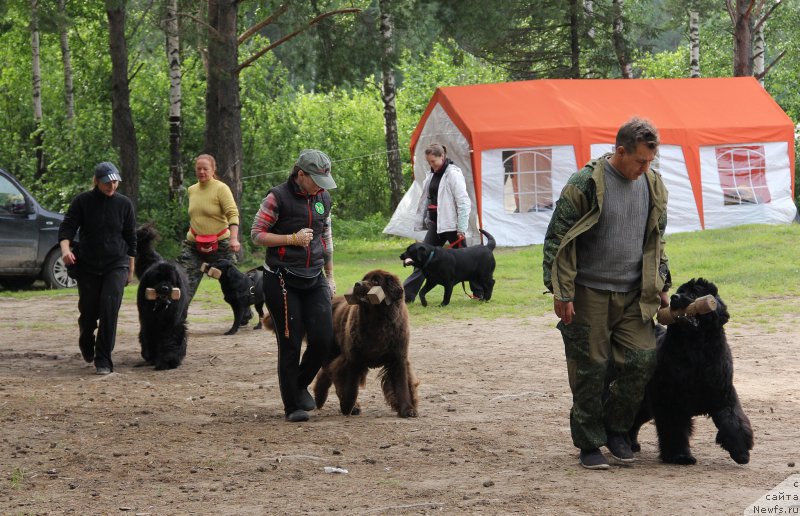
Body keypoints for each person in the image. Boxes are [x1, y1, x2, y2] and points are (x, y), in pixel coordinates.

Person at [542, 117, 671, 470]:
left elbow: (657, 239)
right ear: (620, 151)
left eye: (650, 162)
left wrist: (661, 283)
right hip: (589, 293)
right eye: (640, 161)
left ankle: (617, 430)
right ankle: (589, 443)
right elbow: (557, 237)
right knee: (590, 370)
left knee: (642, 361)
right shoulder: (586, 183)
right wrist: (561, 291)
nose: (645, 168)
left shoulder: (653, 184)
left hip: (634, 292)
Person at [251, 149, 336, 423]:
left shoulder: (323, 198)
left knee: (324, 339)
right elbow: (256, 235)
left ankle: (299, 384)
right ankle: (292, 406)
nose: (320, 188)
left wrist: (330, 275)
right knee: (290, 342)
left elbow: (325, 237)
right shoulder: (277, 197)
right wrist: (291, 238)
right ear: (300, 175)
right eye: (316, 181)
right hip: (281, 278)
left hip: (315, 277)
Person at [58, 162, 136, 375]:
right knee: (89, 312)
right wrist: (66, 250)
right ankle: (86, 337)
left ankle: (104, 360)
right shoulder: (82, 202)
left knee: (109, 309)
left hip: (116, 264)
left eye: (114, 181)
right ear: (97, 181)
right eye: (106, 182)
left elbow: (131, 238)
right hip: (88, 265)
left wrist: (130, 269)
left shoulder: (124, 204)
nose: (111, 186)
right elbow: (67, 228)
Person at [403, 143, 474, 303]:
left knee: (467, 260)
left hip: (452, 226)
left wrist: (461, 228)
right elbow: (428, 199)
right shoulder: (432, 175)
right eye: (429, 162)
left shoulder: (453, 175)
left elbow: (463, 202)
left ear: (442, 157)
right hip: (436, 224)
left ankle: (479, 292)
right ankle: (407, 295)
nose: (431, 165)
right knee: (420, 259)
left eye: (433, 161)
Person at [175, 154, 241, 305]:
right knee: (183, 282)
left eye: (205, 168)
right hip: (194, 244)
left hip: (221, 243)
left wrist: (234, 238)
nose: (202, 172)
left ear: (213, 169)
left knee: (233, 282)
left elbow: (232, 213)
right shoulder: (191, 190)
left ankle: (243, 314)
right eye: (199, 169)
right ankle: (178, 318)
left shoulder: (221, 188)